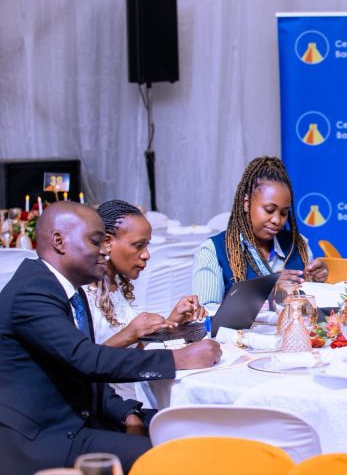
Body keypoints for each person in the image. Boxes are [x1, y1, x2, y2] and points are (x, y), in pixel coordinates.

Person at [0, 202, 221, 474]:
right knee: (176, 458)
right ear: (59, 241)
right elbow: (85, 359)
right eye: (95, 241)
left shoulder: (67, 289)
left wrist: (126, 413)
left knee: (196, 430)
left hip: (82, 418)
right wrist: (177, 359)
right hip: (44, 438)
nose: (105, 250)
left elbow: (78, 371)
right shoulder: (33, 290)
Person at [84, 200, 207, 399]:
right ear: (107, 242)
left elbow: (134, 349)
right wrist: (130, 333)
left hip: (136, 385)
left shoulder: (114, 284)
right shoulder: (84, 293)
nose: (147, 255)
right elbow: (83, 363)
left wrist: (173, 321)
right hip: (110, 399)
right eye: (138, 246)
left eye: (147, 245)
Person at [193, 156, 328, 309]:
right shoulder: (213, 251)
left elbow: (310, 308)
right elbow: (206, 315)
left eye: (284, 213)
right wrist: (265, 289)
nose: (277, 220)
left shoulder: (298, 246)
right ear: (246, 203)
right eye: (269, 210)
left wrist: (316, 280)